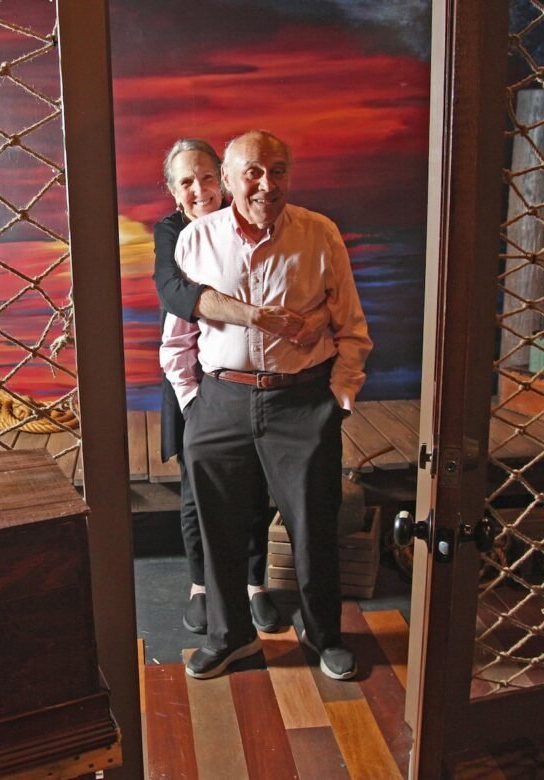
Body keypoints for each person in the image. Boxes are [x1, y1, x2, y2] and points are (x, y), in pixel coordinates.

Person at [161, 130, 373, 681]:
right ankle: (232, 639)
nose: (266, 183)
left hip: (301, 402)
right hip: (219, 400)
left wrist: (337, 400)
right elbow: (177, 340)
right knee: (220, 529)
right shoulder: (197, 240)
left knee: (313, 527)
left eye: (277, 171)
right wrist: (196, 402)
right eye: (252, 172)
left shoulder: (319, 234)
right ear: (228, 181)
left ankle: (323, 634)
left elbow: (352, 329)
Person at [153, 138, 328, 636]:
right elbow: (174, 295)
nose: (199, 189)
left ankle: (253, 584)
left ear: (225, 180)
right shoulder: (176, 233)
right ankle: (202, 586)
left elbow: (330, 307)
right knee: (198, 489)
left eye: (208, 177)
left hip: (260, 387)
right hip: (200, 376)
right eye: (186, 182)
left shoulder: (275, 227)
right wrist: (196, 396)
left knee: (251, 490)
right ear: (173, 191)